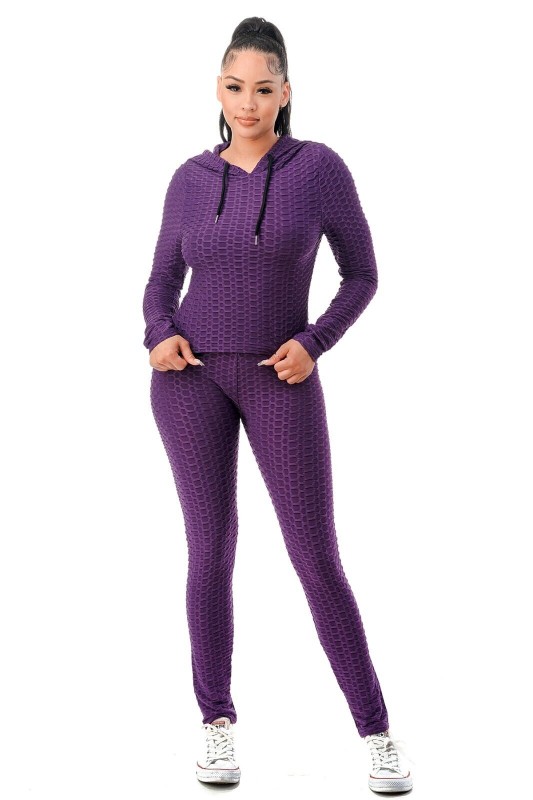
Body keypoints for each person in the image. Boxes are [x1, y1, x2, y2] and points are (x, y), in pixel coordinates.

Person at [142, 16, 413, 795]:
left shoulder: (316, 169)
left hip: (279, 377)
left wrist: (313, 342)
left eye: (263, 89)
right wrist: (158, 333)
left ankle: (376, 733)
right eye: (235, 87)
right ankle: (216, 724)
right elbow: (160, 282)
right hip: (189, 379)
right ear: (217, 89)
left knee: (314, 556)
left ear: (286, 92)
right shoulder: (190, 178)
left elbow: (361, 274)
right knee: (210, 550)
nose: (247, 103)